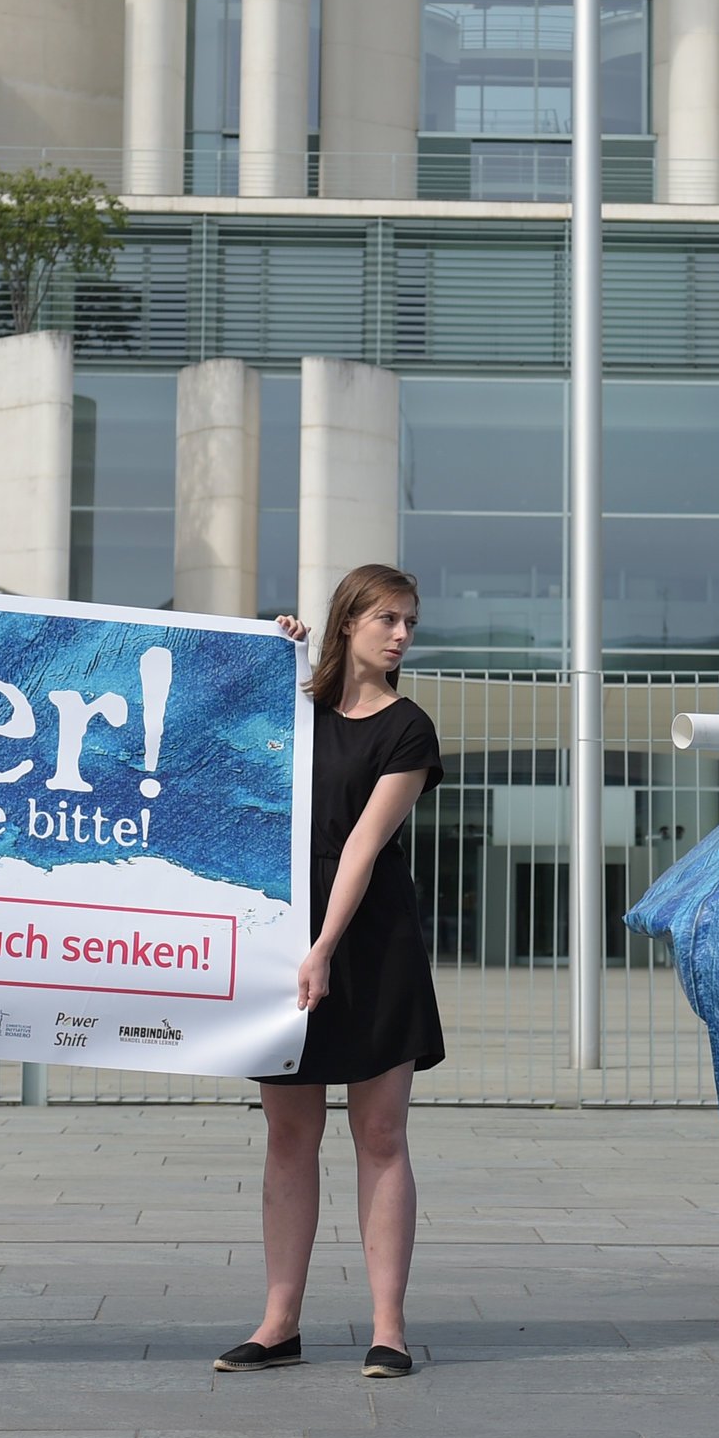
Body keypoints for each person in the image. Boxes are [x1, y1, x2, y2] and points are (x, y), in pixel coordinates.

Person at [217, 563, 447, 1381]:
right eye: (388, 617)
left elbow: (360, 845)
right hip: (282, 933)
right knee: (288, 1135)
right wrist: (265, 659)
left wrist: (322, 947)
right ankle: (279, 1323)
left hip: (369, 941)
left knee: (380, 1135)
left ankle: (389, 1328)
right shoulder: (292, 708)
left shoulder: (409, 729)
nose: (402, 634)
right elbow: (214, 743)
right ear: (347, 620)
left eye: (410, 622)